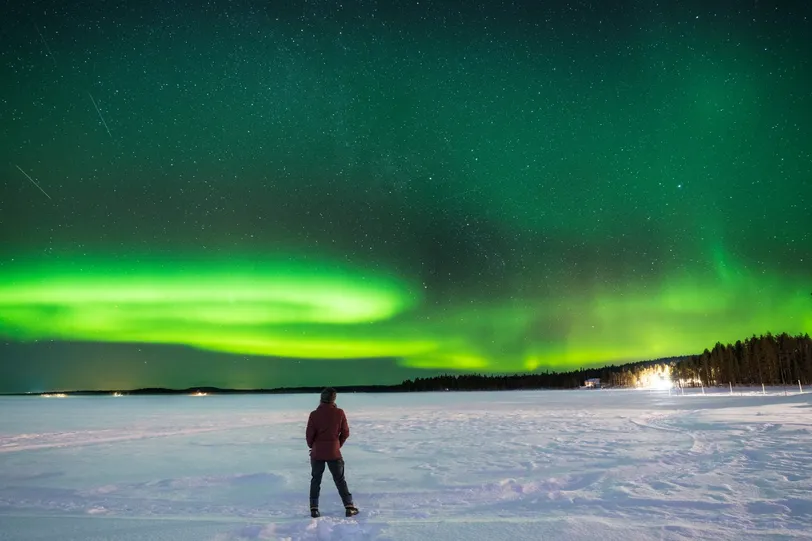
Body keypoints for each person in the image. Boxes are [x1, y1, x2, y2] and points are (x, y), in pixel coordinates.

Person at [306, 387, 359, 518]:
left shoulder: (314, 414)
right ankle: (349, 507)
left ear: (321, 399)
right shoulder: (339, 413)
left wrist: (313, 446)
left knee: (315, 480)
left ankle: (314, 509)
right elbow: (345, 432)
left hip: (317, 452)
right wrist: (337, 445)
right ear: (334, 399)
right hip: (334, 452)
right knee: (340, 480)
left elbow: (309, 436)